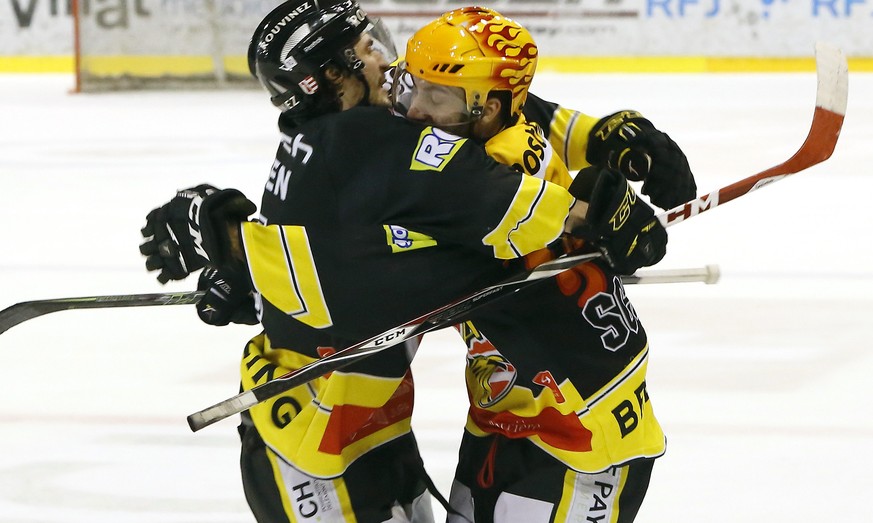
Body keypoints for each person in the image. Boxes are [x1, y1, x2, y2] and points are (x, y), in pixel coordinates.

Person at [138, 2, 690, 521]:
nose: (390, 64)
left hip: (406, 430)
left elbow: (354, 258)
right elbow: (501, 200)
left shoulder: (341, 142)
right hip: (320, 455)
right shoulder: (384, 150)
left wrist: (595, 136)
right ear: (335, 74)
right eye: (368, 48)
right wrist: (598, 211)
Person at [388, 8, 681, 522]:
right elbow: (541, 113)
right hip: (504, 408)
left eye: (438, 97)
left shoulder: (487, 174)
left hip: (583, 429)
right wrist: (605, 140)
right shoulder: (500, 124)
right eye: (419, 87)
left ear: (489, 108)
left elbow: (396, 251)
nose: (417, 109)